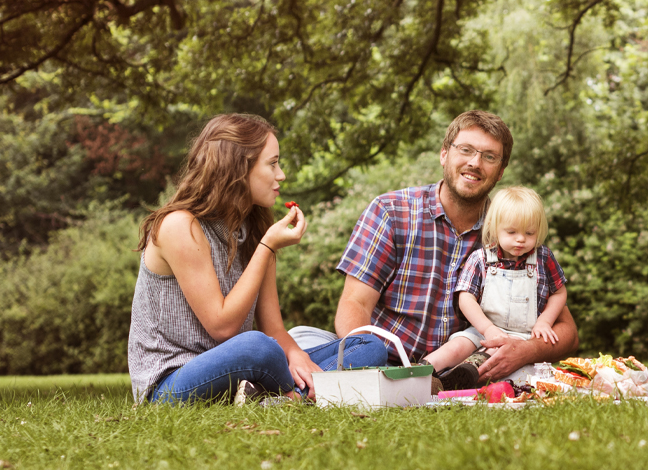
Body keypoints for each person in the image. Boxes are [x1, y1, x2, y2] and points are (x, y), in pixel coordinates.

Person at [127, 114, 384, 404]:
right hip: (171, 383)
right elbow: (222, 327)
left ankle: (275, 396)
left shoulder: (254, 228)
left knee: (368, 345)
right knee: (258, 347)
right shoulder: (180, 226)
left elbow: (274, 328)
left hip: (239, 372)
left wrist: (296, 355)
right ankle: (298, 394)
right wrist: (267, 247)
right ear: (238, 168)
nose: (281, 175)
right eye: (272, 164)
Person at [334, 110, 579, 384]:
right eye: (465, 150)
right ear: (444, 154)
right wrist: (369, 371)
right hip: (387, 365)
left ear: (500, 171)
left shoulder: (510, 231)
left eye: (489, 157)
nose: (475, 162)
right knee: (307, 338)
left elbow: (567, 332)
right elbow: (355, 303)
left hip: (462, 374)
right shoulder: (391, 211)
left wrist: (525, 350)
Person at [422, 187, 570, 378]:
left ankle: (459, 377)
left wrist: (545, 321)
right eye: (512, 232)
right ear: (494, 227)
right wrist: (488, 329)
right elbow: (465, 298)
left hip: (523, 337)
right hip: (483, 330)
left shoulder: (543, 258)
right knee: (457, 345)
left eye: (529, 233)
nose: (521, 239)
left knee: (495, 354)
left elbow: (559, 292)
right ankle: (421, 369)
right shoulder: (481, 258)